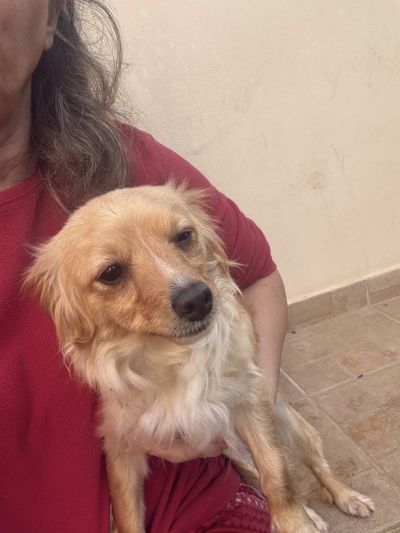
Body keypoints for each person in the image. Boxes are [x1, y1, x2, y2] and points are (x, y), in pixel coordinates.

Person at [0, 1, 288, 531]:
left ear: (51, 19)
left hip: (188, 502)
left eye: (181, 239)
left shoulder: (127, 162)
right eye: (112, 273)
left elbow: (258, 276)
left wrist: (248, 404)